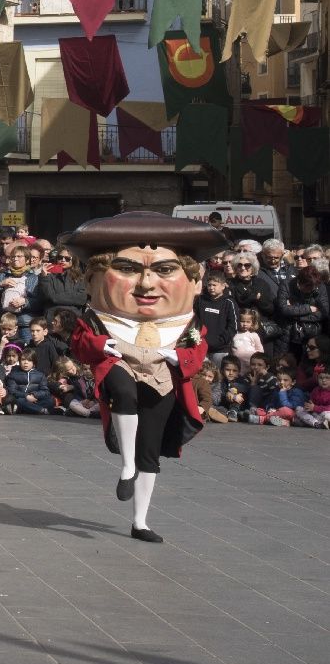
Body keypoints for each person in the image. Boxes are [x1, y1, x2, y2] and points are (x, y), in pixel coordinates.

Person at [63, 212, 219, 544]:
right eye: (127, 268)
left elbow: (197, 353)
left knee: (151, 450)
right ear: (91, 280)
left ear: (196, 283)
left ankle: (140, 522)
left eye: (165, 270)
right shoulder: (96, 319)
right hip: (120, 363)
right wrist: (101, 345)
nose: (146, 284)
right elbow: (80, 345)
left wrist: (179, 357)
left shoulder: (188, 325)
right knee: (123, 391)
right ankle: (126, 465)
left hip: (163, 378)